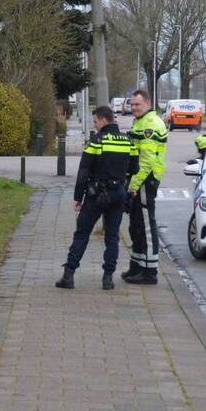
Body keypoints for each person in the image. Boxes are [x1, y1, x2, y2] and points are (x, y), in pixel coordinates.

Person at [56, 106, 139, 291]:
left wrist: (78, 197)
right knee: (112, 236)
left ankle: (68, 275)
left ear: (103, 120)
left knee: (82, 234)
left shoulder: (97, 141)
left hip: (96, 195)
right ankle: (108, 278)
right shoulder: (128, 141)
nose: (95, 124)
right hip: (118, 194)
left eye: (95, 121)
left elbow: (83, 171)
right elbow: (135, 169)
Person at [123, 90, 167, 285]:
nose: (133, 108)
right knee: (136, 225)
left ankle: (150, 272)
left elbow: (147, 161)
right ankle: (137, 265)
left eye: (137, 105)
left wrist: (133, 184)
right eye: (132, 105)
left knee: (146, 226)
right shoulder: (140, 122)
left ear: (148, 103)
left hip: (145, 180)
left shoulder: (150, 124)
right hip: (140, 180)